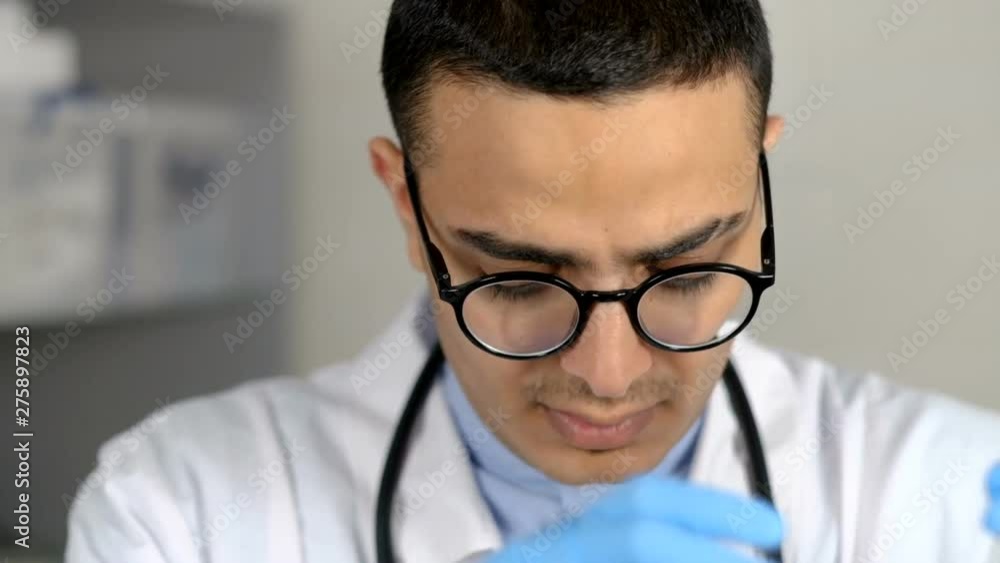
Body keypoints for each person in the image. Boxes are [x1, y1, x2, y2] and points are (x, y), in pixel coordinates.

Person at [66, 1, 1000, 562]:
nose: (608, 372)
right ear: (407, 206)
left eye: (682, 271)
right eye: (516, 281)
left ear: (760, 190)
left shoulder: (946, 493)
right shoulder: (179, 508)